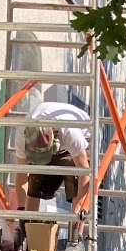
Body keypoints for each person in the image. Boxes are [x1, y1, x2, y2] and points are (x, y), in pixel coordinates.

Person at [14, 99, 91, 234]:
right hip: (54, 141)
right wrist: (22, 210)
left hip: (79, 147)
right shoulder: (23, 133)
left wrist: (78, 210)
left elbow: (84, 172)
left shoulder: (70, 132)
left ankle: (75, 238)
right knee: (35, 184)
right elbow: (21, 173)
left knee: (76, 186)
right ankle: (28, 233)